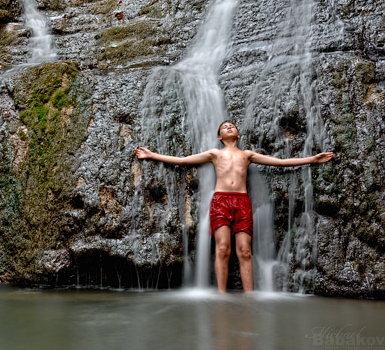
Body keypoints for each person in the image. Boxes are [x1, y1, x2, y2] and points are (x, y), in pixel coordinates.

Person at [134, 120, 334, 293]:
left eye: (232, 126)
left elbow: (279, 162)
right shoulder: (214, 154)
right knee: (222, 249)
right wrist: (152, 155)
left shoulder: (247, 155)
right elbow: (184, 161)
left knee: (245, 250)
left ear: (238, 134)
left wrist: (312, 159)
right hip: (221, 201)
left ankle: (249, 296)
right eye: (224, 127)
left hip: (242, 202)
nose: (228, 127)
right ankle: (222, 296)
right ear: (220, 137)